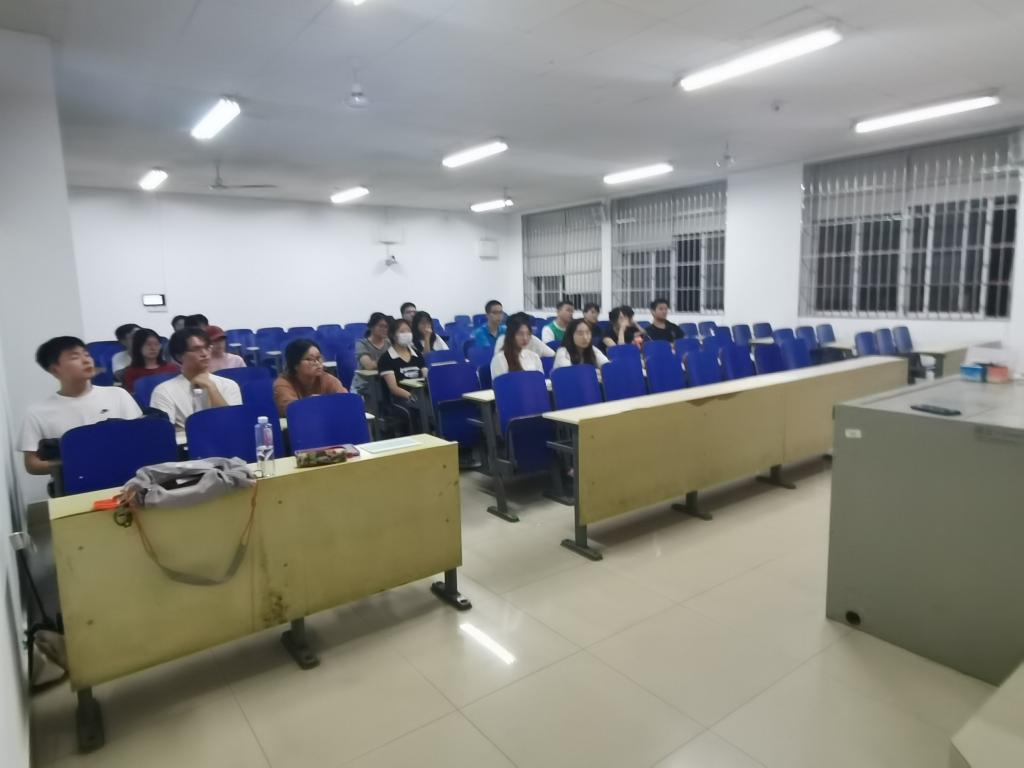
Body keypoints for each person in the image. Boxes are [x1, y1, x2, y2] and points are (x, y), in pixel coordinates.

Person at [20, 336, 142, 476]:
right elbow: (32, 464)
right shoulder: (38, 412)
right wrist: (76, 463)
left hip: (127, 478)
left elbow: (140, 439)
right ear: (55, 369)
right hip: (75, 482)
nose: (86, 360)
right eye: (75, 357)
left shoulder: (118, 394)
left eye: (87, 355)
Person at [151, 328, 242, 429]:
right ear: (179, 356)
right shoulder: (164, 391)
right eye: (196, 349)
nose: (204, 354)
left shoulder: (229, 385)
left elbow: (231, 425)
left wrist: (212, 388)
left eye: (207, 347)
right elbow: (163, 432)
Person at [273, 339, 347, 416]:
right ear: (295, 365)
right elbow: (289, 410)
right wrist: (309, 403)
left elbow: (345, 401)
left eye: (318, 358)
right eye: (309, 359)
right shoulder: (283, 383)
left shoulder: (327, 379)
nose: (317, 363)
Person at [377, 318, 427, 431]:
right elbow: (393, 388)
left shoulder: (417, 354)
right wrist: (412, 397)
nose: (406, 334)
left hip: (420, 395)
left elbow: (425, 377)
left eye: (408, 330)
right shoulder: (386, 358)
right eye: (402, 331)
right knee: (414, 412)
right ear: (393, 335)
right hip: (397, 399)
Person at [121, 328, 179, 394]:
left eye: (156, 344)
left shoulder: (172, 368)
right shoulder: (131, 372)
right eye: (148, 344)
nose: (153, 348)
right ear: (138, 346)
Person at [491, 315, 544, 380]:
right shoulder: (499, 359)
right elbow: (501, 385)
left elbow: (540, 382)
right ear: (510, 335)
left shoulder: (534, 357)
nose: (525, 338)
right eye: (520, 334)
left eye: (528, 334)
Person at [353, 312, 391, 397]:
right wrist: (388, 362)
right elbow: (369, 366)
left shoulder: (389, 344)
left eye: (386, 327)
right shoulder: (361, 344)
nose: (384, 329)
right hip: (364, 386)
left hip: (384, 383)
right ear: (371, 327)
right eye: (381, 326)